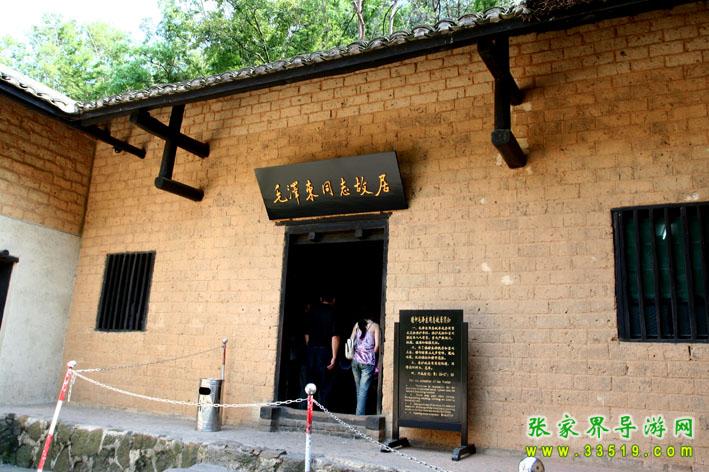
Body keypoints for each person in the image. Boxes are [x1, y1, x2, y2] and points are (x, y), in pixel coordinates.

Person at [304, 294, 339, 406]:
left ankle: (309, 407)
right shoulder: (333, 313)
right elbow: (335, 336)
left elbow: (306, 334)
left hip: (311, 350)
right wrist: (334, 356)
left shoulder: (312, 311)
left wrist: (309, 348)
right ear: (333, 300)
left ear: (320, 299)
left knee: (310, 380)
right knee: (324, 383)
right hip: (325, 352)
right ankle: (323, 409)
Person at [349, 317, 380, 415]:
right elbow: (377, 347)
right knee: (363, 391)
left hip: (355, 361)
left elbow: (351, 341)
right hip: (367, 362)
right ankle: (359, 417)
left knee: (359, 389)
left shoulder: (357, 324)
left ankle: (358, 413)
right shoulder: (375, 326)